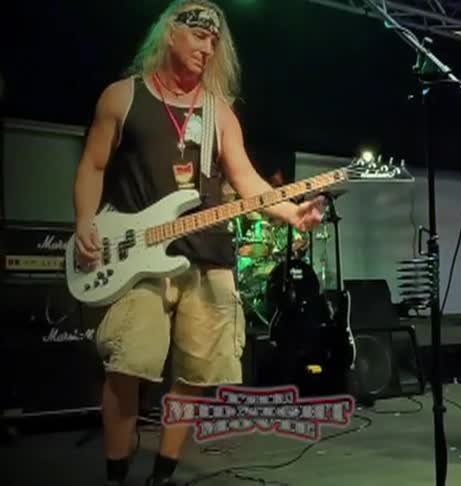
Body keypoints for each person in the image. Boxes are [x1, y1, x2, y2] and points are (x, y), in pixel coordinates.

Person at [71, 2, 324, 485]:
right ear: (170, 33)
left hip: (207, 255)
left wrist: (291, 211)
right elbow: (93, 166)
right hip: (138, 257)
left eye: (214, 42)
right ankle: (116, 474)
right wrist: (85, 218)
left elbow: (247, 179)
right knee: (130, 364)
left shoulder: (218, 112)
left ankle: (163, 475)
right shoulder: (122, 97)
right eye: (199, 37)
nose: (207, 48)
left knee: (197, 375)